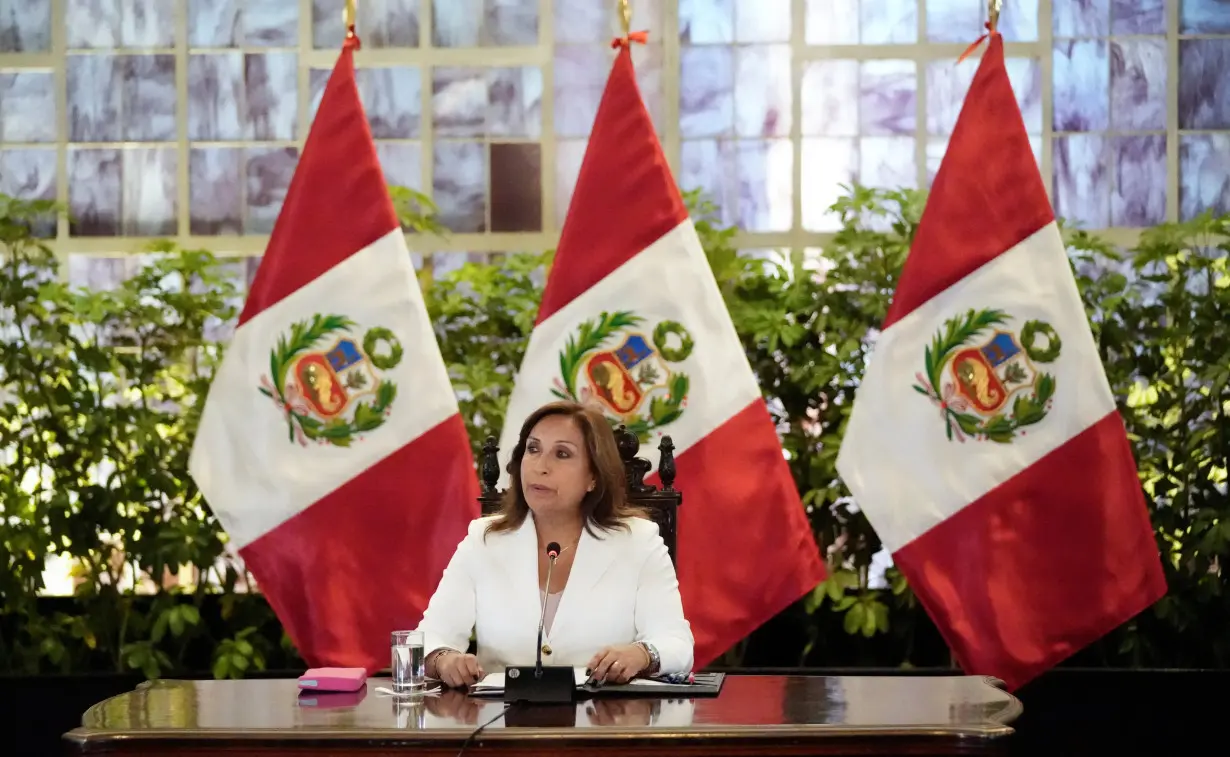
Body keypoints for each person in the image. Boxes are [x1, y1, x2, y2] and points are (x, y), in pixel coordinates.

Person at [415, 400, 694, 688]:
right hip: (501, 723)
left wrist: (642, 654)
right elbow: (426, 640)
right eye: (533, 449)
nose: (540, 466)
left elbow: (677, 644)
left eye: (562, 454)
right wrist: (444, 659)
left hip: (603, 723)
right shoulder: (484, 539)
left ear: (593, 477)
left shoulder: (638, 541)